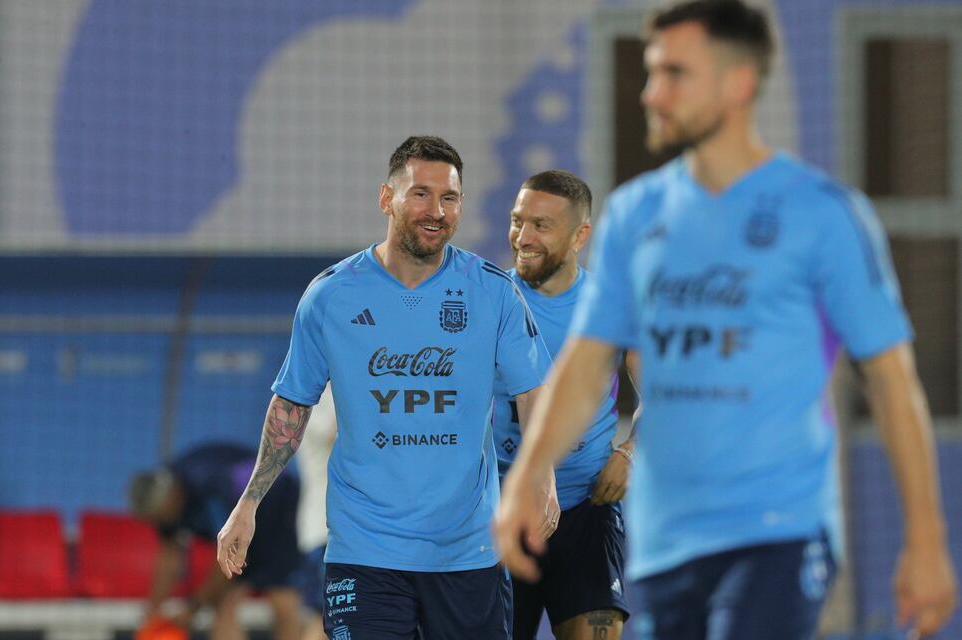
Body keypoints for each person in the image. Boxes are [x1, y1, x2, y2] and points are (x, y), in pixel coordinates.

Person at [492, 2, 959, 639]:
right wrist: (528, 475)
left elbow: (893, 382)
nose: (651, 92)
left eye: (675, 74)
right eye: (651, 72)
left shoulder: (822, 215)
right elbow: (582, 370)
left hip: (776, 528)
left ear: (738, 84)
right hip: (666, 538)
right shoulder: (636, 216)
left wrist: (927, 540)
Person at [216, 135, 554, 639]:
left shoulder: (493, 292)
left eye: (449, 197)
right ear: (385, 199)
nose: (436, 210)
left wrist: (541, 475)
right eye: (420, 193)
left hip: (467, 551)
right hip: (364, 550)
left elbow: (532, 393)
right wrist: (248, 504)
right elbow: (292, 405)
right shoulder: (331, 296)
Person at [492, 169, 634, 640]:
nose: (522, 237)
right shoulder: (487, 301)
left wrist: (631, 453)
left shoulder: (610, 308)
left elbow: (667, 399)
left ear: (580, 236)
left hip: (586, 509)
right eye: (518, 221)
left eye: (541, 226)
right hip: (501, 510)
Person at [128, 442, 306, 640]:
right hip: (245, 516)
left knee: (280, 596)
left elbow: (227, 556)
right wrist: (152, 612)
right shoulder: (167, 508)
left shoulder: (209, 487)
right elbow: (169, 557)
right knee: (224, 603)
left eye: (161, 515)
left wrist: (194, 607)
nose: (163, 522)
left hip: (275, 500)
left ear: (172, 497)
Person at [294, 382, 336, 640]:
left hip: (340, 531)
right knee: (324, 618)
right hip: (324, 531)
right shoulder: (319, 397)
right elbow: (338, 433)